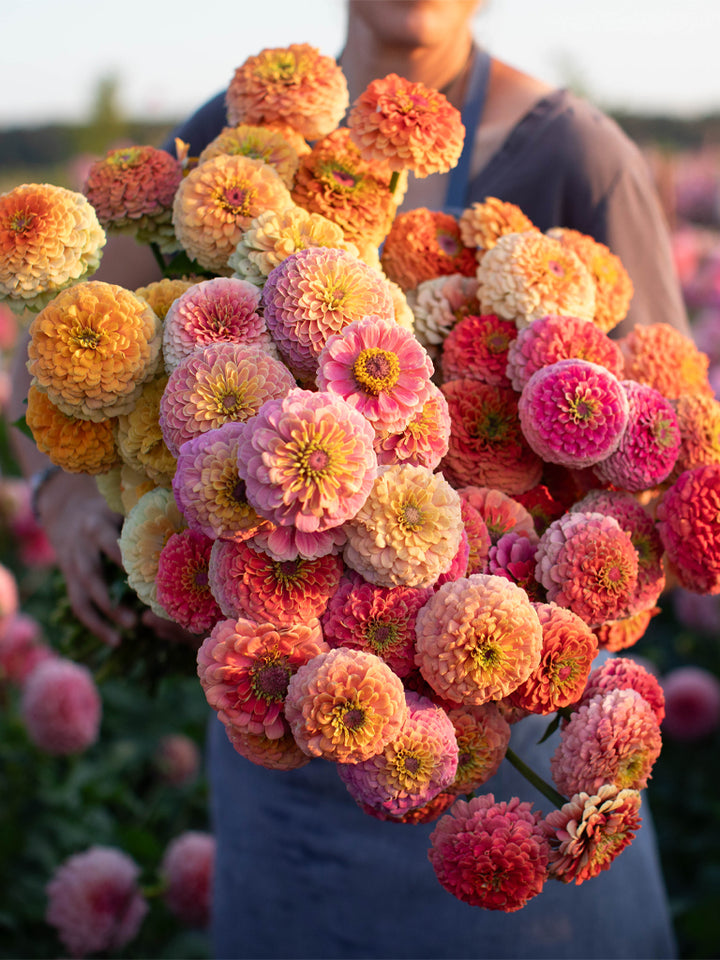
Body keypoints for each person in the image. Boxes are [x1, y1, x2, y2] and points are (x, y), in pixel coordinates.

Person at [10, 2, 684, 956]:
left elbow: (662, 442)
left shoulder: (580, 153)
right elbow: (65, 339)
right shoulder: (232, 143)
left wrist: (572, 570)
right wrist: (71, 494)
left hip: (517, 746)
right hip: (286, 713)